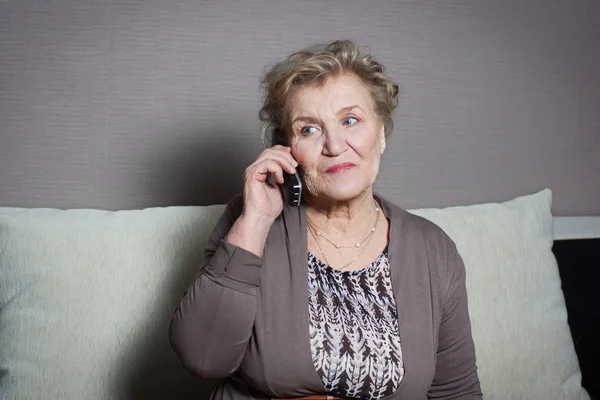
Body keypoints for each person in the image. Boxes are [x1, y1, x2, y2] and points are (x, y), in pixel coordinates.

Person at [169, 40, 482, 400]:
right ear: (286, 149)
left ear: (380, 134)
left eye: (350, 120)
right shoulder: (252, 223)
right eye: (309, 129)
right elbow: (204, 358)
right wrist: (256, 219)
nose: (335, 145)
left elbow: (456, 392)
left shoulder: (432, 250)